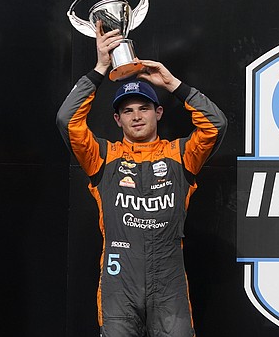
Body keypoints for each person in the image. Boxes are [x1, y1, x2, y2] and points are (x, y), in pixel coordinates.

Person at [56, 23, 227, 337]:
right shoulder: (102, 157)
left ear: (158, 112)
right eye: (127, 110)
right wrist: (99, 69)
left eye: (144, 108)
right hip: (119, 283)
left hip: (169, 284)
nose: (136, 116)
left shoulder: (181, 154)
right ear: (116, 118)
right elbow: (67, 120)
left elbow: (215, 125)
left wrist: (173, 84)